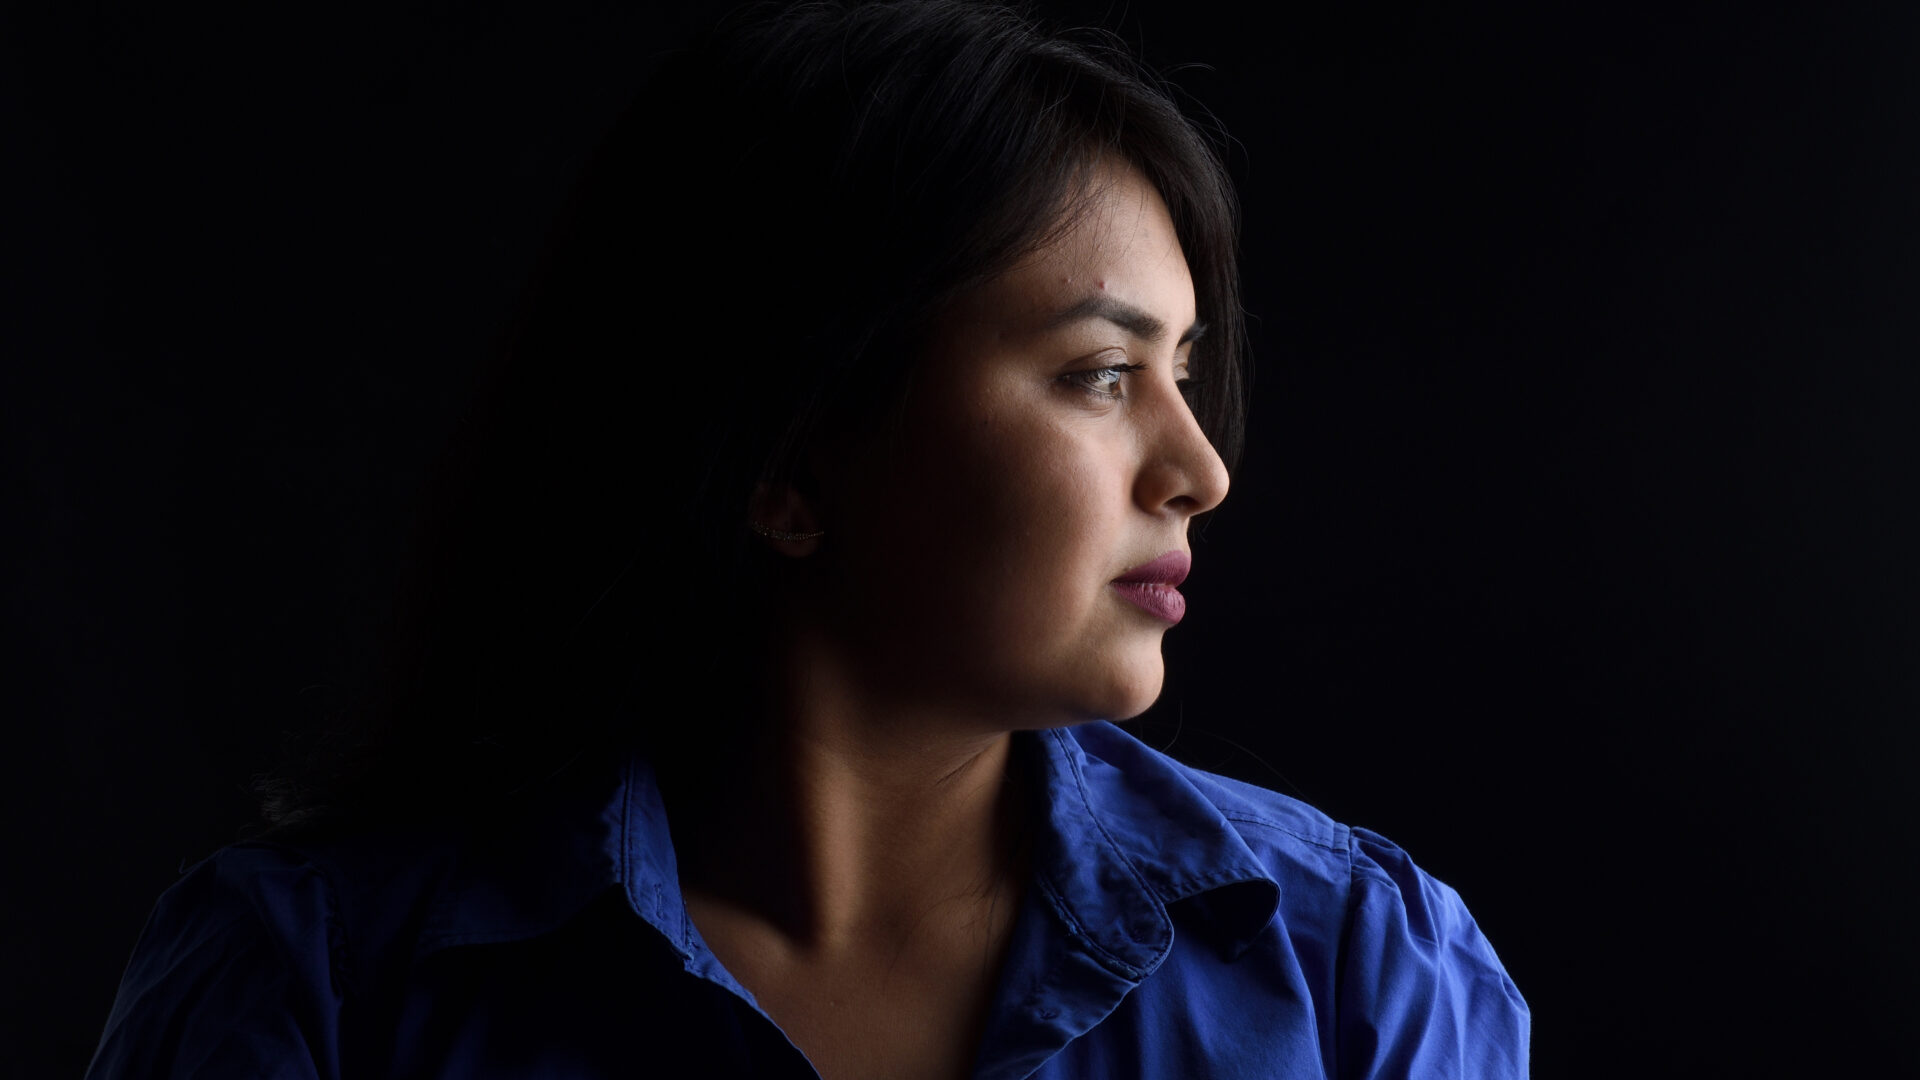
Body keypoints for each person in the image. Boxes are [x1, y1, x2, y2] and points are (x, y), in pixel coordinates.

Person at [86, 1, 1530, 1077]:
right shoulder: (316, 988)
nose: (1200, 468)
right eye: (1102, 373)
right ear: (786, 450)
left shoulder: (1354, 973)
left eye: (1187, 370)